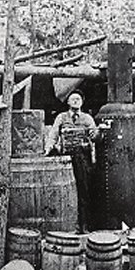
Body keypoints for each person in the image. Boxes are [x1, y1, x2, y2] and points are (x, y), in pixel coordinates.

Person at [45, 89, 98, 234]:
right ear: (68, 102)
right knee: (68, 192)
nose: (76, 101)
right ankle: (70, 226)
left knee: (84, 192)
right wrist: (48, 148)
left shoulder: (87, 119)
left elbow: (95, 135)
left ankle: (84, 225)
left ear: (82, 102)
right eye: (73, 99)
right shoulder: (61, 118)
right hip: (67, 160)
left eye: (78, 99)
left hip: (83, 158)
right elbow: (53, 134)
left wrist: (95, 135)